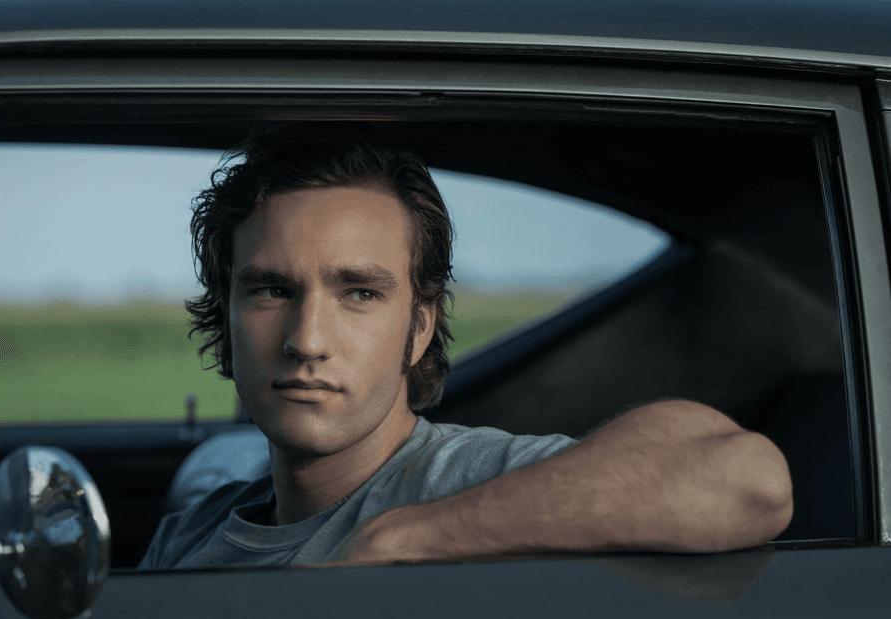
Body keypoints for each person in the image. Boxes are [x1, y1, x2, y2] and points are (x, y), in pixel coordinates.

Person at [139, 122, 793, 569]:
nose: (307, 339)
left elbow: (746, 480)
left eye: (359, 293)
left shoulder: (462, 481)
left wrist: (400, 540)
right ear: (226, 314)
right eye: (271, 291)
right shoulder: (189, 534)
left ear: (419, 326)